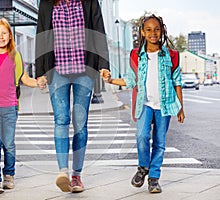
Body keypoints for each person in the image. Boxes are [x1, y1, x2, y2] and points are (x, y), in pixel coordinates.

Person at [101, 14, 185, 193]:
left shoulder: (172, 55)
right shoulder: (136, 55)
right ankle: (143, 167)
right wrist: (111, 81)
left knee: (160, 143)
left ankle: (154, 179)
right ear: (142, 32)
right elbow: (131, 80)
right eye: (149, 29)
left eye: (156, 29)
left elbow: (177, 82)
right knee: (141, 136)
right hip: (145, 104)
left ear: (162, 31)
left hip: (165, 105)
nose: (153, 33)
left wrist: (180, 108)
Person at [35, 0, 109, 193]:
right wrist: (40, 71)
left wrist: (103, 64)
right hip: (56, 69)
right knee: (61, 119)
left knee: (80, 123)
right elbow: (41, 34)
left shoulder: (89, 2)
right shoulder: (47, 3)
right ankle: (63, 172)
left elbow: (98, 31)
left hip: (84, 69)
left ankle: (76, 176)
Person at [0, 18, 46, 195]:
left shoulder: (15, 56)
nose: (1, 36)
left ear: (10, 36)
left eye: (4, 33)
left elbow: (24, 79)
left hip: (10, 107)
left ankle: (9, 175)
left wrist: (38, 83)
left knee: (8, 144)